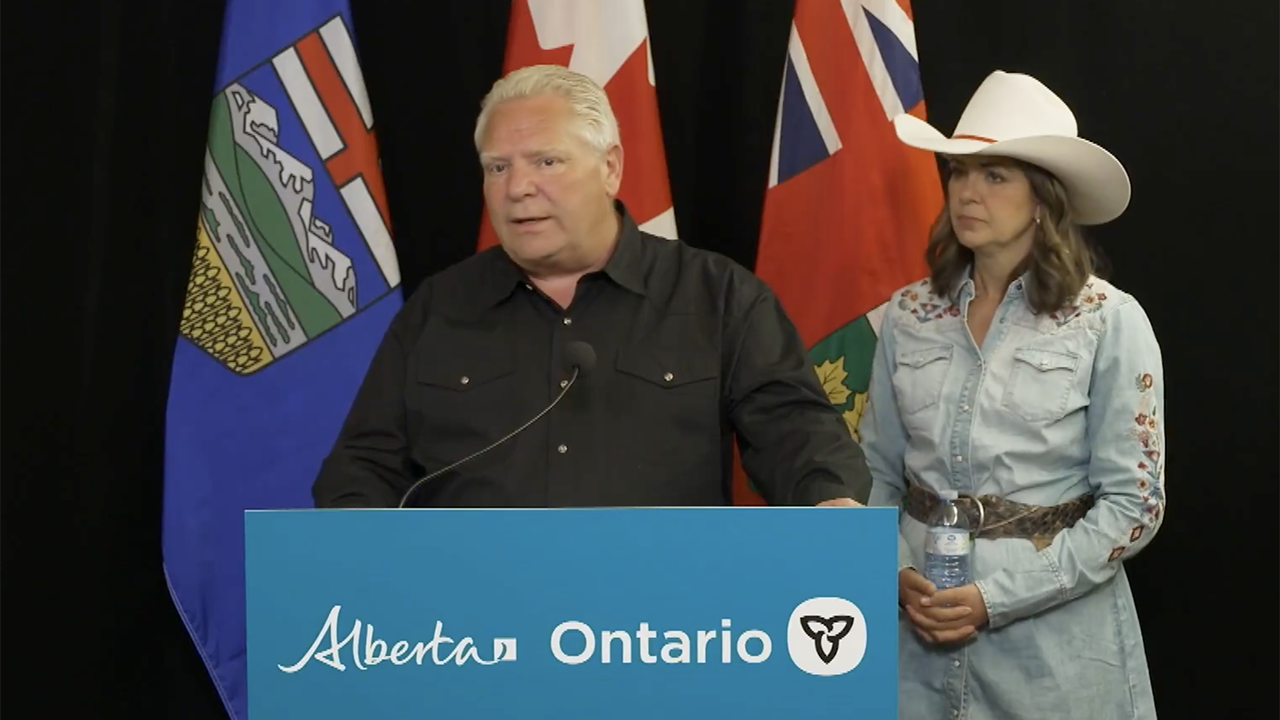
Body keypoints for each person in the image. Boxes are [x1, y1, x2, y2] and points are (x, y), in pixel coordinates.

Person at [312, 64, 871, 510]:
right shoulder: (439, 308)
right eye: (497, 167)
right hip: (470, 626)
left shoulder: (717, 297)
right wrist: (360, 543)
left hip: (664, 627)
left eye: (546, 161)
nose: (518, 189)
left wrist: (830, 499)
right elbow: (363, 467)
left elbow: (796, 432)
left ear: (611, 167)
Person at [857, 71, 1165, 719]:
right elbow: (875, 470)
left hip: (1053, 659)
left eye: (995, 175)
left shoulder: (1107, 321)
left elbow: (1134, 505)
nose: (967, 191)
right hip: (912, 642)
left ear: (1042, 201)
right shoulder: (908, 314)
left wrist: (1000, 596)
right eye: (960, 171)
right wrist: (894, 570)